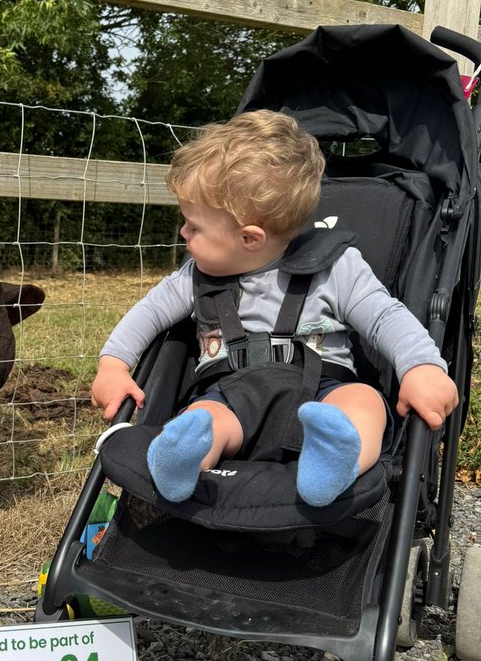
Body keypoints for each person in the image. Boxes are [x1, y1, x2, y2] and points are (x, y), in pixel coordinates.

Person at [90, 110, 459, 507]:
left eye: (193, 226)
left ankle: (333, 459)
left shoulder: (337, 268)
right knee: (207, 418)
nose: (183, 233)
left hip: (323, 389)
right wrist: (113, 364)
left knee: (363, 404)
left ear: (250, 238)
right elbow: (149, 312)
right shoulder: (195, 278)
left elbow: (386, 317)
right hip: (232, 392)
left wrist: (421, 366)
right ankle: (182, 461)